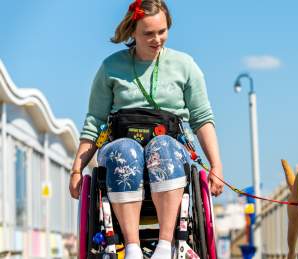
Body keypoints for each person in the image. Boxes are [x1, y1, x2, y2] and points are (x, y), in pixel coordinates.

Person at [68, 0, 224, 258]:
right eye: (148, 33)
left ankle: (164, 246)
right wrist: (77, 169)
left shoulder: (185, 66)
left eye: (162, 31)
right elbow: (94, 122)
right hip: (121, 147)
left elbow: (202, 118)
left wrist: (216, 166)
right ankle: (131, 249)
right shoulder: (110, 68)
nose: (157, 39)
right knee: (125, 150)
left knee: (161, 147)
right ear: (132, 32)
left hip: (168, 147)